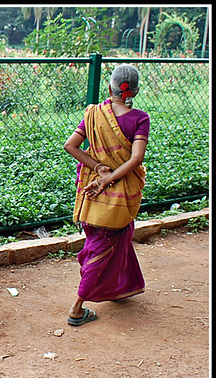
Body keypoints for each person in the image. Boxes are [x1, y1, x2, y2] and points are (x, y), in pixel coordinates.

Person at [63, 63, 150, 326]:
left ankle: (121, 287)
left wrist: (97, 169)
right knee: (103, 247)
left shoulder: (93, 115)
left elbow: (71, 146)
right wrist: (109, 177)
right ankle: (77, 309)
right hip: (119, 195)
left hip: (92, 192)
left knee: (111, 239)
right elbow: (136, 160)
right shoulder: (139, 118)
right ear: (133, 91)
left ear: (109, 87)